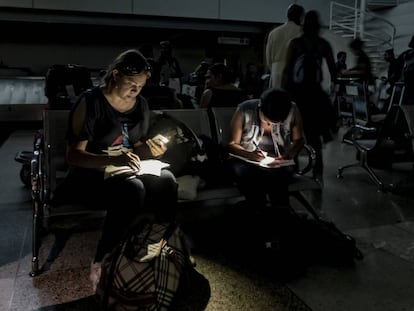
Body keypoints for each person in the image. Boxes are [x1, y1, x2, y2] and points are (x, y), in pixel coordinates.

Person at [54, 49, 178, 291]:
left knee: (167, 181)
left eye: (141, 85)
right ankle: (103, 258)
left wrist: (151, 149)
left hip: (125, 168)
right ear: (115, 75)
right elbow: (74, 156)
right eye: (131, 83)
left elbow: (135, 147)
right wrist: (112, 160)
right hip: (91, 174)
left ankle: (157, 242)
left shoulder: (140, 104)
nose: (135, 90)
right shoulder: (91, 102)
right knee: (133, 189)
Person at [226, 88, 305, 211]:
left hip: (280, 162)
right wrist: (249, 155)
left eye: (278, 122)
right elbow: (231, 144)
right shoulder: (245, 110)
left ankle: (275, 211)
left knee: (277, 176)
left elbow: (299, 140)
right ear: (260, 108)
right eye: (269, 120)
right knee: (251, 176)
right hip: (246, 160)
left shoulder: (292, 109)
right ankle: (263, 210)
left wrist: (290, 153)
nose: (273, 124)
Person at [281, 10, 337, 182]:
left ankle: (294, 166)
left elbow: (287, 70)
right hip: (315, 94)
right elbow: (333, 71)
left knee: (294, 132)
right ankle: (318, 168)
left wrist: (285, 93)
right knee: (314, 134)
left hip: (297, 94)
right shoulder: (323, 44)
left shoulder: (295, 43)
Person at [265, 3, 304, 88]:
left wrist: (274, 68)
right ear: (300, 16)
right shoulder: (302, 32)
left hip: (276, 70)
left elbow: (268, 58)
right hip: (294, 71)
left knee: (275, 99)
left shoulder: (274, 32)